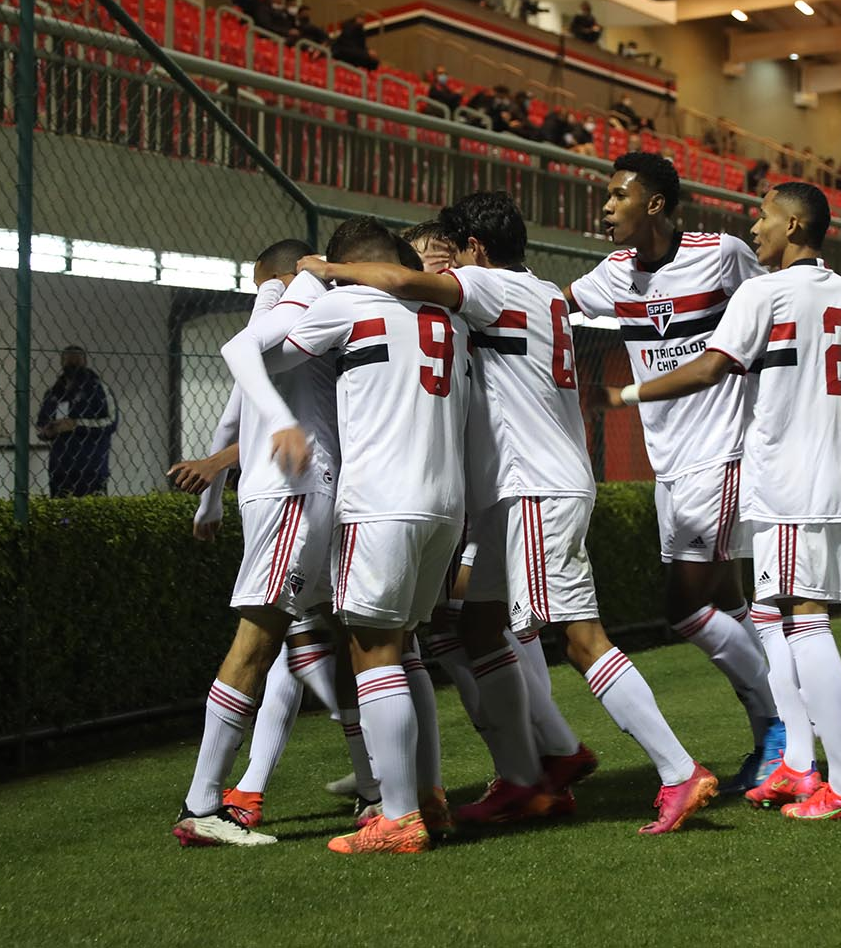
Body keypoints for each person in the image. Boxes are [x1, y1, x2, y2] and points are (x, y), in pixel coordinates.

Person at [306, 192, 719, 834]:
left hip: (533, 486)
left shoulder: (482, 283)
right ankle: (525, 782)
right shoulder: (545, 290)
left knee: (581, 639)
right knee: (477, 629)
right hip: (528, 485)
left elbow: (395, 279)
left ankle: (677, 770)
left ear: (474, 248)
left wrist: (332, 270)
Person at [607, 182, 841, 821]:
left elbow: (710, 367)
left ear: (792, 223)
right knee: (767, 616)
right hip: (836, 476)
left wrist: (624, 398)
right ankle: (798, 762)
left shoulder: (765, 291)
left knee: (801, 621)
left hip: (791, 479)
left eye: (762, 216)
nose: (753, 227)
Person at [227, 217, 471, 855]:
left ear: (342, 263)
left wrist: (299, 289)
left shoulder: (343, 302)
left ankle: (397, 817)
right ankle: (429, 795)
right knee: (407, 647)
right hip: (447, 505)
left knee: (372, 652)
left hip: (382, 502)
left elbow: (263, 353)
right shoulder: (450, 318)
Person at [566, 152, 801, 795]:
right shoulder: (614, 272)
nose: (607, 207)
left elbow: (771, 305)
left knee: (685, 603)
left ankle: (785, 721)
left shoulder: (721, 253)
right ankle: (779, 742)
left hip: (722, 451)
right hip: (668, 463)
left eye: (618, 196)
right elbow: (559, 306)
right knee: (726, 602)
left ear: (656, 205)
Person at [167, 239, 347, 848]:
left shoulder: (270, 304)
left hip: (277, 489)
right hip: (294, 489)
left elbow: (232, 411)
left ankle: (373, 780)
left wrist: (212, 497)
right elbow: (243, 366)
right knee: (263, 637)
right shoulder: (300, 292)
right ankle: (203, 804)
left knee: (309, 635)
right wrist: (287, 425)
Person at [36, 346, 118, 498]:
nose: (73, 365)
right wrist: (46, 431)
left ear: (85, 362)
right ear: (62, 363)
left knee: (92, 514)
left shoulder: (98, 389)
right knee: (63, 518)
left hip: (91, 469)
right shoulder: (54, 392)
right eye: (69, 362)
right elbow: (40, 425)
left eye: (77, 361)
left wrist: (76, 424)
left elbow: (111, 422)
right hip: (60, 470)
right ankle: (65, 522)